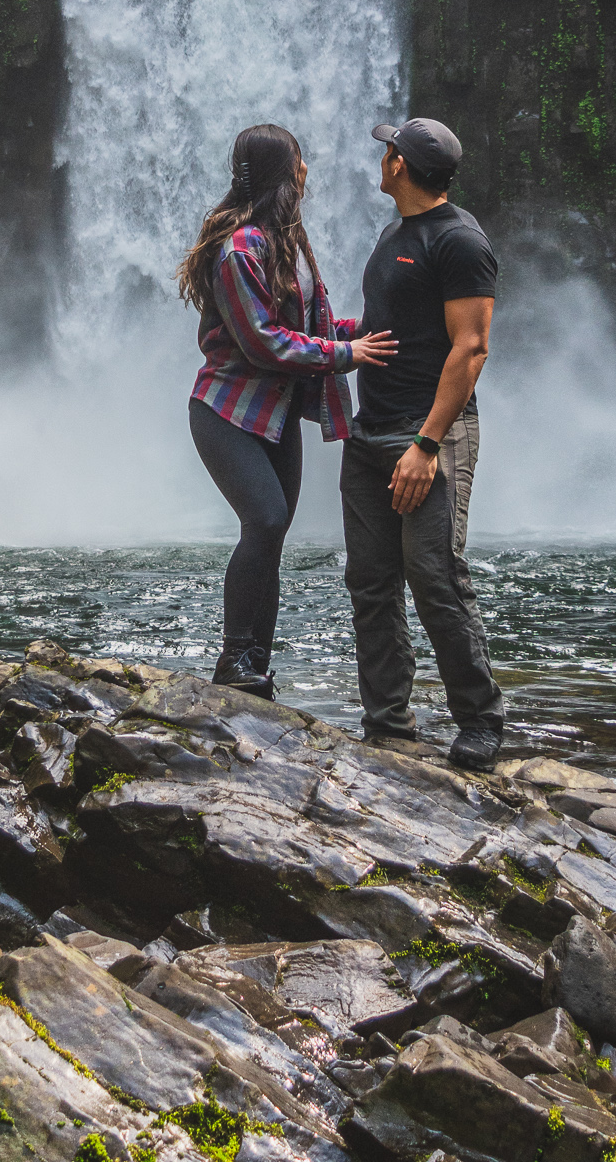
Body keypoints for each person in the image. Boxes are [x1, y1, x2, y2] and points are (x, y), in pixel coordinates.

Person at [179, 123, 398, 700]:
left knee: (271, 534)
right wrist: (348, 355)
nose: (306, 172)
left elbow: (314, 330)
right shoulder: (239, 248)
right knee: (267, 520)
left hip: (274, 416)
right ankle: (233, 660)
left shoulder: (290, 243)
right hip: (226, 414)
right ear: (284, 172)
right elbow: (263, 341)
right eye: (299, 161)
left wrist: (368, 330)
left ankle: (255, 666)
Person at [340, 116, 505, 769]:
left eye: (386, 151)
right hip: (370, 431)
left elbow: (471, 347)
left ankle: (481, 721)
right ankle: (387, 724)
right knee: (370, 581)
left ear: (400, 167)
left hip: (428, 436)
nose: (380, 159)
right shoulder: (395, 234)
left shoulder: (460, 242)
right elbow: (391, 327)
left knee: (435, 577)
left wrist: (427, 443)